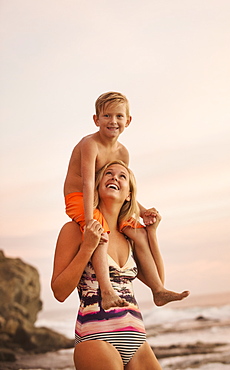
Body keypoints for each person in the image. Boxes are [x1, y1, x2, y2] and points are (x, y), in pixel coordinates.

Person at [52, 161, 189, 369]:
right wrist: (87, 248)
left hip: (137, 339)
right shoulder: (74, 230)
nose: (114, 177)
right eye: (108, 173)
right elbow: (59, 292)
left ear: (129, 195)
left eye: (122, 176)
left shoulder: (129, 235)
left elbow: (158, 284)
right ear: (97, 185)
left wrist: (151, 234)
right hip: (96, 336)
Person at [63, 91, 186, 310]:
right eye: (107, 116)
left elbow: (122, 187)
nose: (113, 121)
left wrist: (143, 211)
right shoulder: (90, 144)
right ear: (96, 120)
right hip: (80, 197)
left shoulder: (123, 152)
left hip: (102, 197)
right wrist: (91, 221)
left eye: (119, 116)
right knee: (100, 230)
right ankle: (107, 290)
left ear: (128, 121)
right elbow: (88, 184)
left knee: (137, 231)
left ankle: (158, 290)